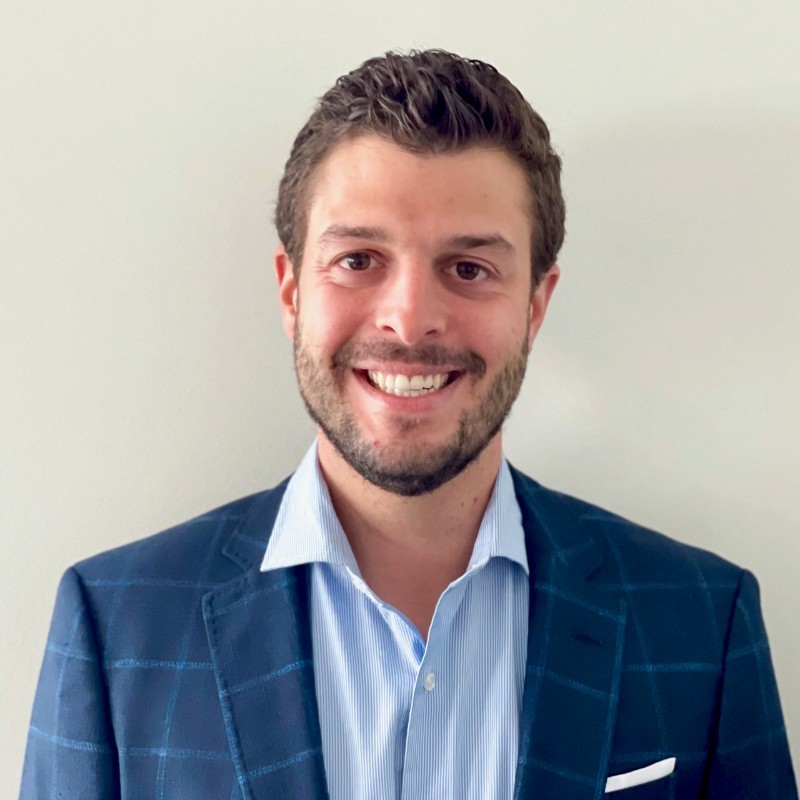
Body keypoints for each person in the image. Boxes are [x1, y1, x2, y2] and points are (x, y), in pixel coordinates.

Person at [21, 49, 796, 800]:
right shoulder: (118, 626)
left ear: (536, 303)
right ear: (291, 290)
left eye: (469, 269)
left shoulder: (700, 622)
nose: (410, 320)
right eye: (358, 260)